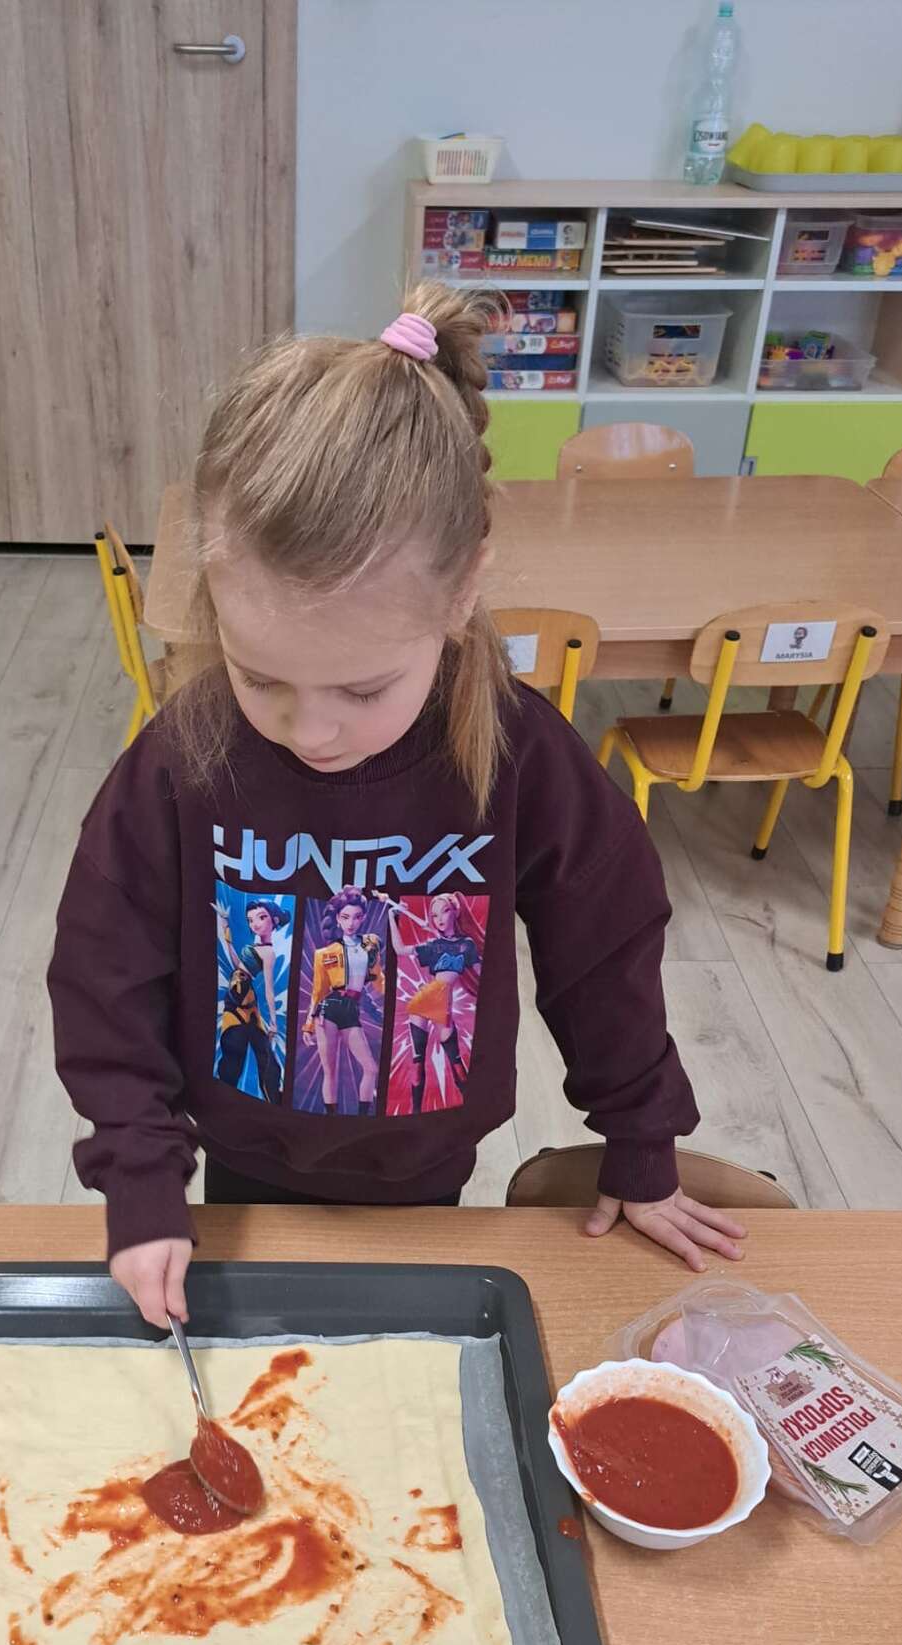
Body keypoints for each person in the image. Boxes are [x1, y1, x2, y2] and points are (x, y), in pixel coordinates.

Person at [49, 283, 746, 1327]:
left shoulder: (515, 751)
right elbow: (104, 969)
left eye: (364, 689)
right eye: (260, 676)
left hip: (428, 1169)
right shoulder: (184, 754)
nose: (312, 731)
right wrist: (140, 1177)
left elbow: (604, 948)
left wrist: (642, 1141)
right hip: (237, 1165)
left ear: (461, 593)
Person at [387, 891, 481, 1112]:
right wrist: (392, 916)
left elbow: (481, 973)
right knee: (417, 1062)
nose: (439, 919)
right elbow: (400, 950)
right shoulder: (434, 945)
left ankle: (469, 1105)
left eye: (444, 912)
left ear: (455, 912)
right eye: (434, 915)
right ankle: (416, 1112)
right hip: (424, 1001)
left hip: (442, 1003)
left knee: (456, 1061)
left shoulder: (466, 944)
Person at [302, 887, 384, 1112]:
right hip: (327, 1010)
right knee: (330, 1072)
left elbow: (379, 979)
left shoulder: (370, 945)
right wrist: (308, 1025)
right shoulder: (324, 953)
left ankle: (361, 1118)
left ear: (363, 918)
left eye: (357, 917)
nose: (351, 923)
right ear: (338, 918)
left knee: (371, 1068)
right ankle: (331, 1119)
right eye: (345, 917)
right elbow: (318, 991)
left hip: (351, 1010)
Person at [214, 897, 287, 1102]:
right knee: (234, 1051)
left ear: (274, 920)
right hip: (238, 993)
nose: (255, 924)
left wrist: (273, 1021)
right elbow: (239, 965)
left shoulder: (269, 952)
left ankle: (273, 1098)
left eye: (261, 918)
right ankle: (225, 1096)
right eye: (250, 920)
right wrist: (226, 931)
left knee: (263, 1055)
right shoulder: (256, 947)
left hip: (243, 994)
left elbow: (269, 989)